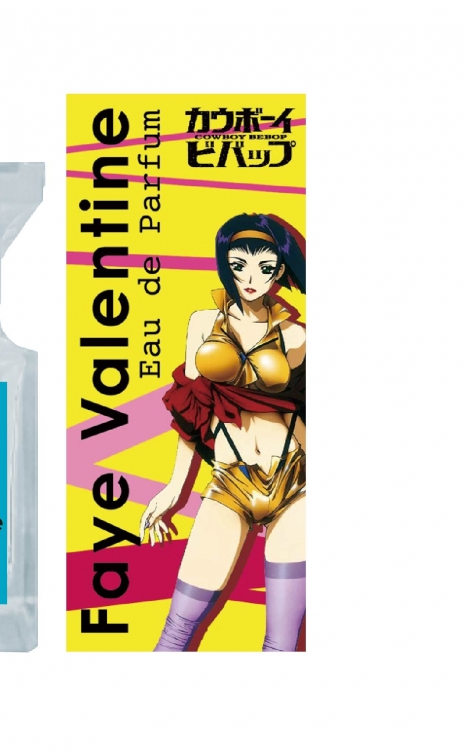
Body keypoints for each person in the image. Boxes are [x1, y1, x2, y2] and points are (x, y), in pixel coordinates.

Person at [140, 213, 307, 652]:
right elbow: (191, 411)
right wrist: (175, 488)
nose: (251, 279)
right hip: (231, 481)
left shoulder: (298, 335)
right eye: (239, 266)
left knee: (281, 646)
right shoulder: (203, 323)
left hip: (298, 483)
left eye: (265, 267)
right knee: (174, 636)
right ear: (224, 264)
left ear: (280, 269)